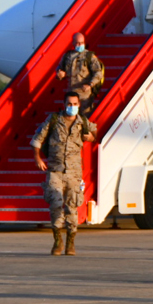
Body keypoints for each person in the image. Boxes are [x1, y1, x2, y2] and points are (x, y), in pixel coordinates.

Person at [32, 92, 97, 256]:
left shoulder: (82, 122)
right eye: (69, 103)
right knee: (55, 203)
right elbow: (37, 139)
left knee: (72, 207)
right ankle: (57, 241)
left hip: (74, 173)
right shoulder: (54, 120)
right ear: (64, 104)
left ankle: (70, 242)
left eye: (75, 104)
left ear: (79, 105)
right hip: (55, 170)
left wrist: (90, 136)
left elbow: (95, 135)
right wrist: (38, 158)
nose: (72, 107)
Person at [56, 32, 104, 114]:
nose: (80, 45)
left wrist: (90, 84)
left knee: (85, 116)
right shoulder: (67, 56)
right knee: (71, 116)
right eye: (78, 43)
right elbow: (59, 69)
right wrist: (60, 74)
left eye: (82, 43)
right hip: (71, 93)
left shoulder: (89, 56)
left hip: (84, 94)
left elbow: (98, 73)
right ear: (73, 43)